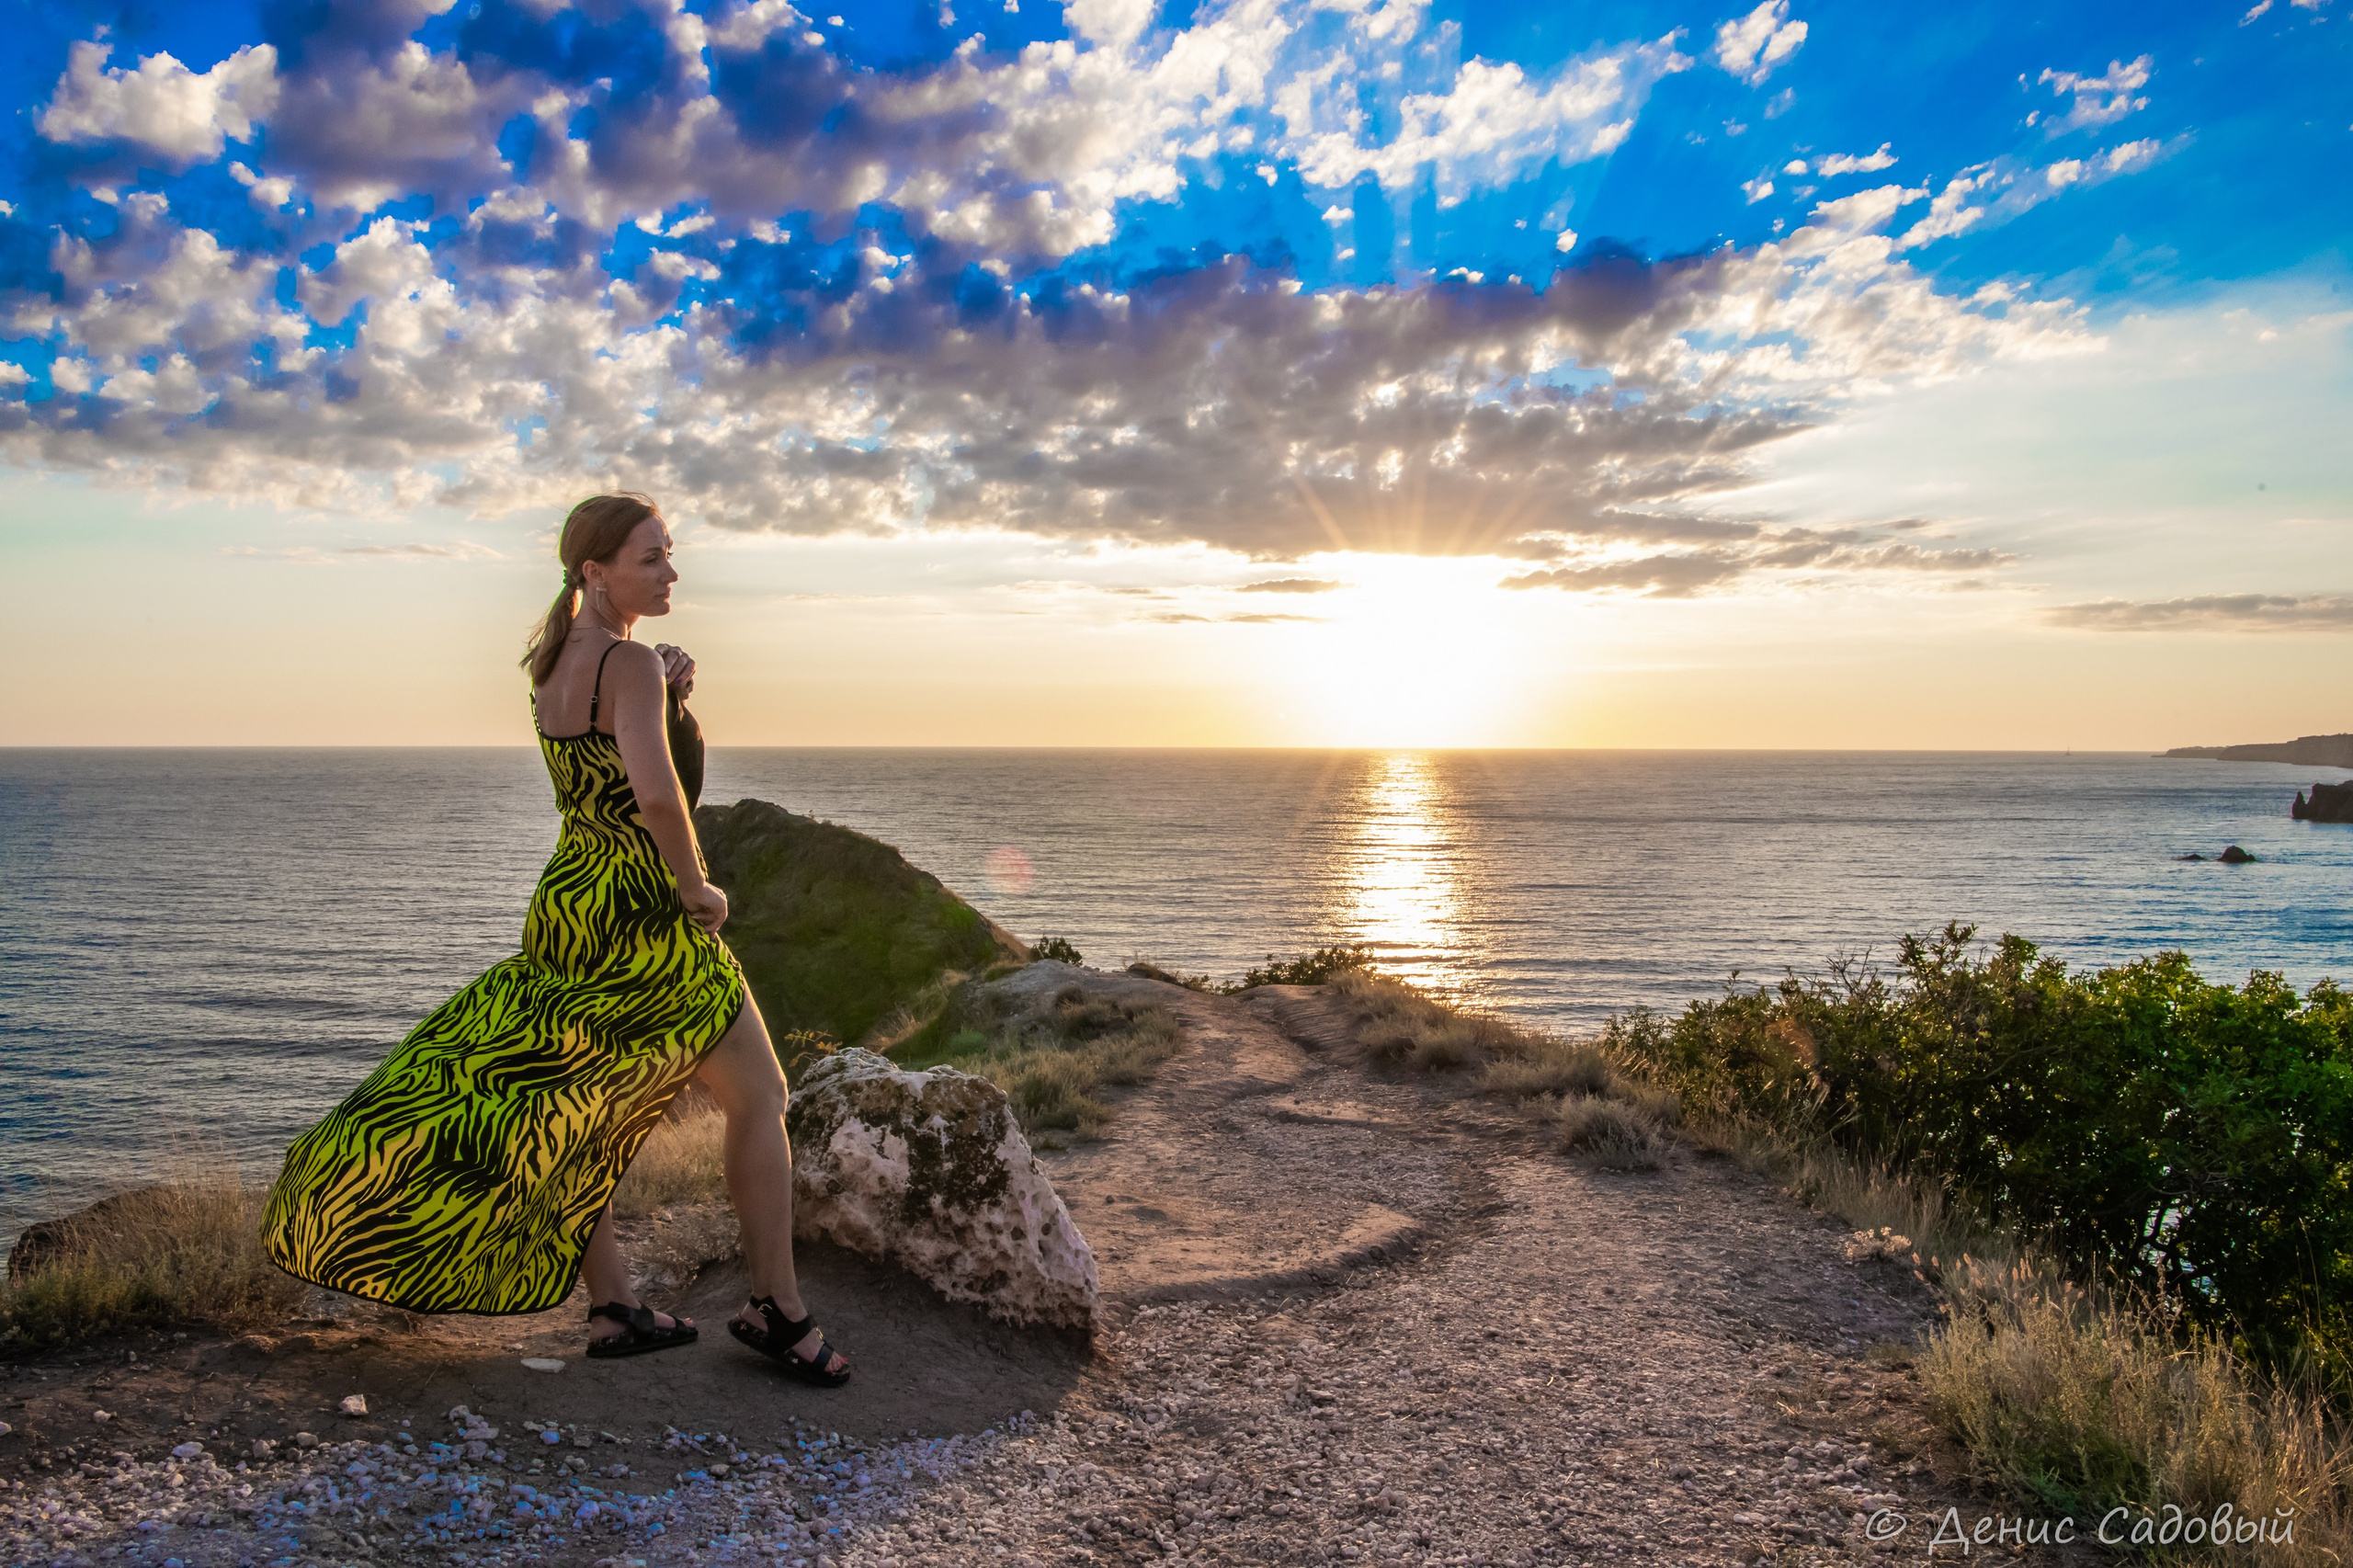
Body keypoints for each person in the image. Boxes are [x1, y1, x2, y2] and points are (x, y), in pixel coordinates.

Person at [262, 493, 850, 1383]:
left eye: (668, 553)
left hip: (570, 901)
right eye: (650, 557)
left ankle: (613, 1306)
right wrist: (699, 887)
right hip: (641, 907)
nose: (669, 571)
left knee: (581, 1102)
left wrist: (669, 691)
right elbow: (654, 798)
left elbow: (600, 769)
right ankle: (778, 1306)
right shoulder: (627, 663)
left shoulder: (555, 660)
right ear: (594, 569)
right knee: (759, 1096)